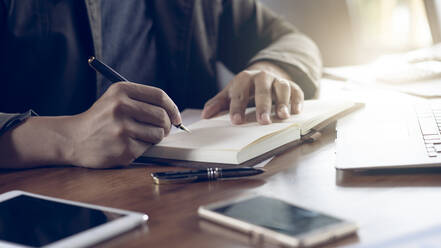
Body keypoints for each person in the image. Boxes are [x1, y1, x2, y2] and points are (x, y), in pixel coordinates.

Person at [0, 0, 321, 169]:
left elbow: (290, 39)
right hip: (46, 210)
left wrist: (273, 67)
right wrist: (68, 139)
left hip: (181, 195)